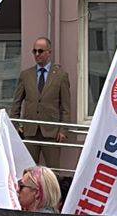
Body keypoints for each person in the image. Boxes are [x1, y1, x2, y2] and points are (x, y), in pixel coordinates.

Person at [10, 37, 72, 174]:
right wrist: (15, 125)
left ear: (49, 52)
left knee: (54, 172)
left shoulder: (61, 76)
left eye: (40, 51)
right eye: (34, 51)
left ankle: (54, 195)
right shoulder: (26, 75)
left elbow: (66, 107)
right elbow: (16, 103)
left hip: (51, 131)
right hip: (30, 131)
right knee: (28, 171)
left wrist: (63, 130)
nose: (37, 54)